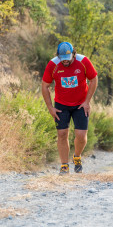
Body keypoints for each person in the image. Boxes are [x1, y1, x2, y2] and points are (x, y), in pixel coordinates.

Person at [42, 42, 98, 175]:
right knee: (62, 134)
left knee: (81, 136)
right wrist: (50, 107)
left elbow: (94, 79)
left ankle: (77, 157)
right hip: (61, 105)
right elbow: (45, 86)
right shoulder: (53, 64)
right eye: (62, 58)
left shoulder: (83, 61)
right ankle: (64, 165)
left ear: (73, 54)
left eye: (67, 58)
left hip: (80, 104)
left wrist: (87, 102)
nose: (65, 61)